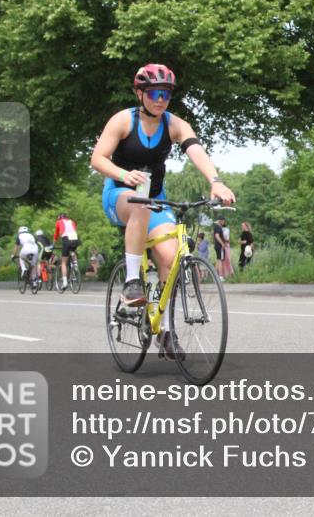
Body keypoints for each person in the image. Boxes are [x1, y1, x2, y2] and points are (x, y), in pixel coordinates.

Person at [90, 63, 235, 359]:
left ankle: (166, 332)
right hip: (120, 195)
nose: (160, 99)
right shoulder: (123, 121)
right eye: (155, 92)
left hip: (155, 199)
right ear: (140, 93)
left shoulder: (174, 124)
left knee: (171, 257)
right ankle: (132, 282)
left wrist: (216, 182)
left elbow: (196, 151)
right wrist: (122, 173)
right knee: (140, 202)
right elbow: (98, 158)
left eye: (166, 94)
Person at [53, 212, 81, 291]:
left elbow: (56, 235)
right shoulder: (72, 221)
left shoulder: (59, 222)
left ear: (59, 218)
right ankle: (75, 265)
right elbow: (74, 230)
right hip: (75, 239)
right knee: (72, 251)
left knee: (63, 263)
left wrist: (53, 245)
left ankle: (65, 282)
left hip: (66, 240)